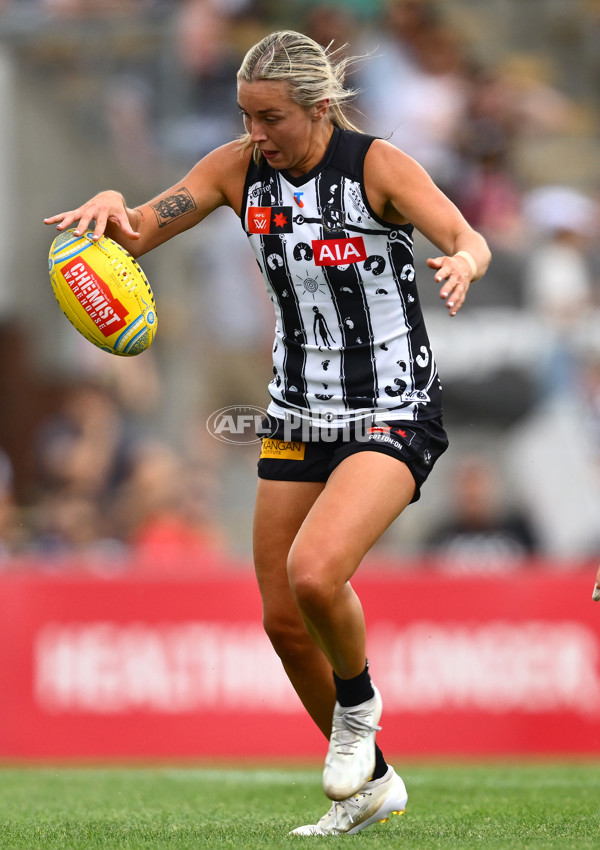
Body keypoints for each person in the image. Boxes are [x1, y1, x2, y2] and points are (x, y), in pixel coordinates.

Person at [44, 29, 491, 835]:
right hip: (294, 412)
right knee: (284, 620)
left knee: (317, 574)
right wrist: (113, 209)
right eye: (246, 115)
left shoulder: (377, 168)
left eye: (272, 118)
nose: (256, 133)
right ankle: (373, 785)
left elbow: (467, 235)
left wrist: (463, 260)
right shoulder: (233, 169)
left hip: (390, 407)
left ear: (319, 109)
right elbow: (141, 229)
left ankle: (357, 720)